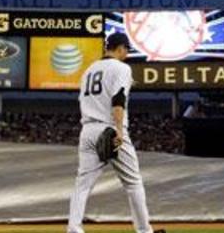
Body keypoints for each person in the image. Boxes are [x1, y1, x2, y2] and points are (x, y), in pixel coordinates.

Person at [68, 33, 164, 233]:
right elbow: (118, 100)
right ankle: (144, 231)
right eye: (126, 50)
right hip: (110, 127)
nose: (126, 54)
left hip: (87, 129)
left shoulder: (89, 70)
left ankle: (73, 228)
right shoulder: (122, 68)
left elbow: (93, 96)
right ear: (120, 48)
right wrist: (119, 131)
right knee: (133, 183)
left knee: (82, 184)